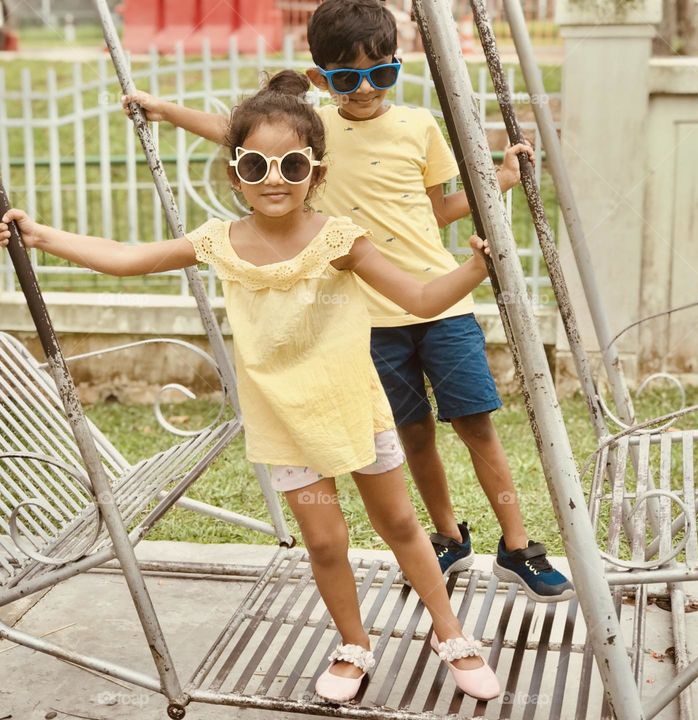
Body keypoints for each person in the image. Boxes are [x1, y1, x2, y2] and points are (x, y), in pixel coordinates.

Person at [0, 70, 500, 703]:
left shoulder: (338, 240)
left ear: (316, 172)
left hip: (349, 404)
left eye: (291, 164)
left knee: (398, 522)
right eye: (255, 165)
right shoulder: (220, 242)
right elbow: (127, 256)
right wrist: (39, 236)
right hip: (283, 416)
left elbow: (422, 296)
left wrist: (477, 267)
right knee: (323, 537)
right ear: (234, 174)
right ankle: (353, 645)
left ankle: (450, 633)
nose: (274, 178)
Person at [119, 0, 574, 603]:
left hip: (439, 299)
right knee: (411, 434)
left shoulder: (418, 126)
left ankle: (516, 546)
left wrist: (501, 181)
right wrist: (162, 110)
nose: (363, 89)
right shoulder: (313, 136)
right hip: (368, 313)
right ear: (319, 80)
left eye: (379, 74)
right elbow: (235, 134)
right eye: (345, 77)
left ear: (396, 67)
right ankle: (448, 536)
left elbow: (438, 208)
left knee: (474, 424)